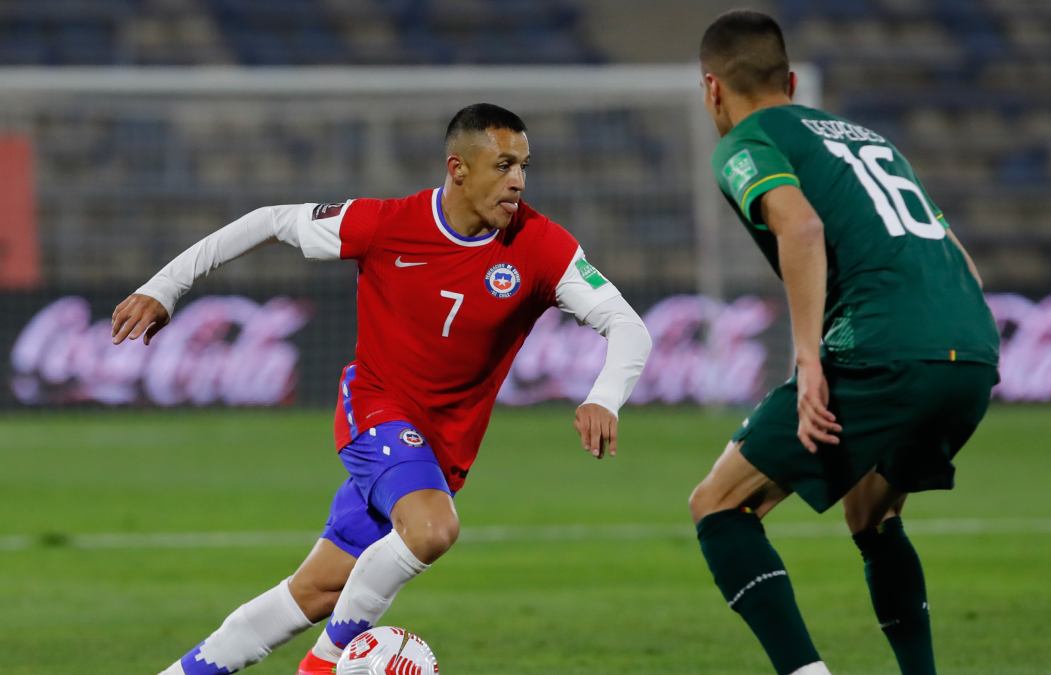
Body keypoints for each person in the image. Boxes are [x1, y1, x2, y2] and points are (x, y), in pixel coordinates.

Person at [111, 103, 652, 675]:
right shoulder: (386, 224)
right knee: (432, 530)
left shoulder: (542, 247)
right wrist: (165, 286)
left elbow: (628, 326)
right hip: (376, 410)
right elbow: (271, 219)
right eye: (503, 165)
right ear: (458, 168)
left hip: (442, 452)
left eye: (523, 166)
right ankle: (321, 669)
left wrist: (602, 397)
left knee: (315, 591)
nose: (517, 181)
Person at [687, 11, 1000, 675]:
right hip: (973, 347)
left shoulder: (748, 137)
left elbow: (798, 229)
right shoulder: (871, 141)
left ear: (712, 89)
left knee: (719, 504)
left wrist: (807, 361)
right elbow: (963, 264)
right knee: (871, 512)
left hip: (883, 346)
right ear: (793, 80)